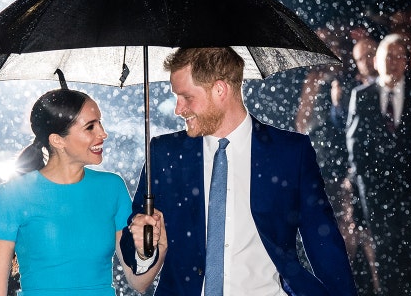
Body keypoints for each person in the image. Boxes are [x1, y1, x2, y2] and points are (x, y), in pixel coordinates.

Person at [121, 47, 357, 295]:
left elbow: (324, 243)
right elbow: (134, 241)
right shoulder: (164, 153)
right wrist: (142, 248)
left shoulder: (290, 153)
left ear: (220, 90)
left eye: (186, 97)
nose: (178, 109)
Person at [0, 88, 166, 296]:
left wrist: (148, 252)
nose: (103, 133)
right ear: (57, 140)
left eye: (100, 123)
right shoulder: (10, 196)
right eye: (90, 127)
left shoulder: (112, 188)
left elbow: (138, 282)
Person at [346, 34, 411, 294]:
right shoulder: (361, 96)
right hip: (376, 194)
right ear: (376, 61)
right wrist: (367, 187)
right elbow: (355, 147)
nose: (394, 62)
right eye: (389, 56)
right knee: (384, 259)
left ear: (406, 62)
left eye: (399, 56)